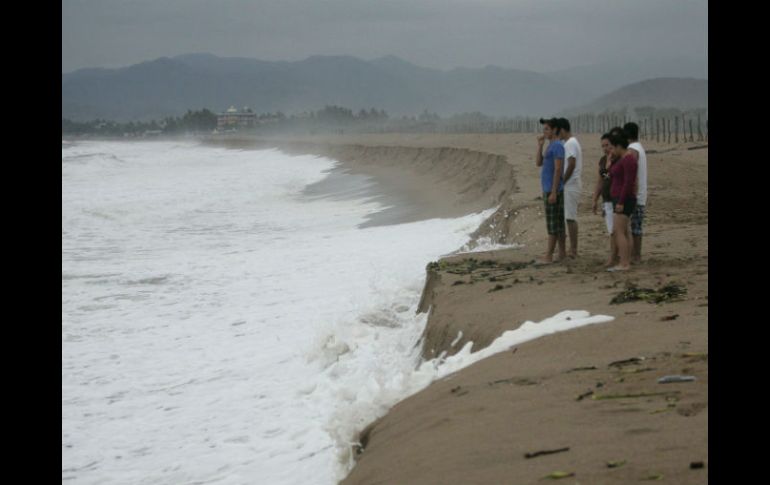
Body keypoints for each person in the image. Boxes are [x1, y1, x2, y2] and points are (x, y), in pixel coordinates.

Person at [536, 118, 566, 263]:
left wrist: (554, 191)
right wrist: (540, 146)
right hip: (549, 188)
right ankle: (561, 253)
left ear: (554, 130)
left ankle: (548, 256)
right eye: (544, 129)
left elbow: (558, 169)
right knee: (558, 223)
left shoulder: (558, 146)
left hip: (553, 189)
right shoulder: (550, 146)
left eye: (547, 129)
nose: (544, 132)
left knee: (553, 224)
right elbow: (538, 163)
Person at [607, 134, 638, 272]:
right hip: (619, 198)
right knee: (622, 231)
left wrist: (621, 201)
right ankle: (625, 261)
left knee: (618, 231)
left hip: (623, 199)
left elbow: (628, 182)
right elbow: (610, 175)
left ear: (619, 146)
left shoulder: (628, 159)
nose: (611, 150)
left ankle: (624, 263)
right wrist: (610, 162)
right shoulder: (621, 159)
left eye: (612, 147)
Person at [557, 118, 582, 258]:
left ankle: (573, 249)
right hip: (570, 184)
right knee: (568, 217)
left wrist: (563, 180)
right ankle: (570, 249)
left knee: (570, 218)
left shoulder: (571, 143)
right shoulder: (569, 143)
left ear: (562, 130)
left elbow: (571, 164)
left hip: (571, 184)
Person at [591, 133, 618, 267]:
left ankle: (614, 258)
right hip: (606, 199)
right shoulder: (602, 160)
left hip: (616, 199)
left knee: (615, 231)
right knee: (611, 230)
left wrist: (609, 165)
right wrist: (595, 199)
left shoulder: (619, 159)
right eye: (603, 146)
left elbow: (611, 176)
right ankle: (616, 256)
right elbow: (600, 180)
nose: (605, 148)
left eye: (607, 145)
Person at [623, 122, 647, 264]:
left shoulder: (632, 149)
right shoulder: (639, 147)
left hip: (635, 195)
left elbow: (631, 174)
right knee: (636, 226)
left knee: (635, 227)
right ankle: (635, 254)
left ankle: (636, 256)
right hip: (639, 193)